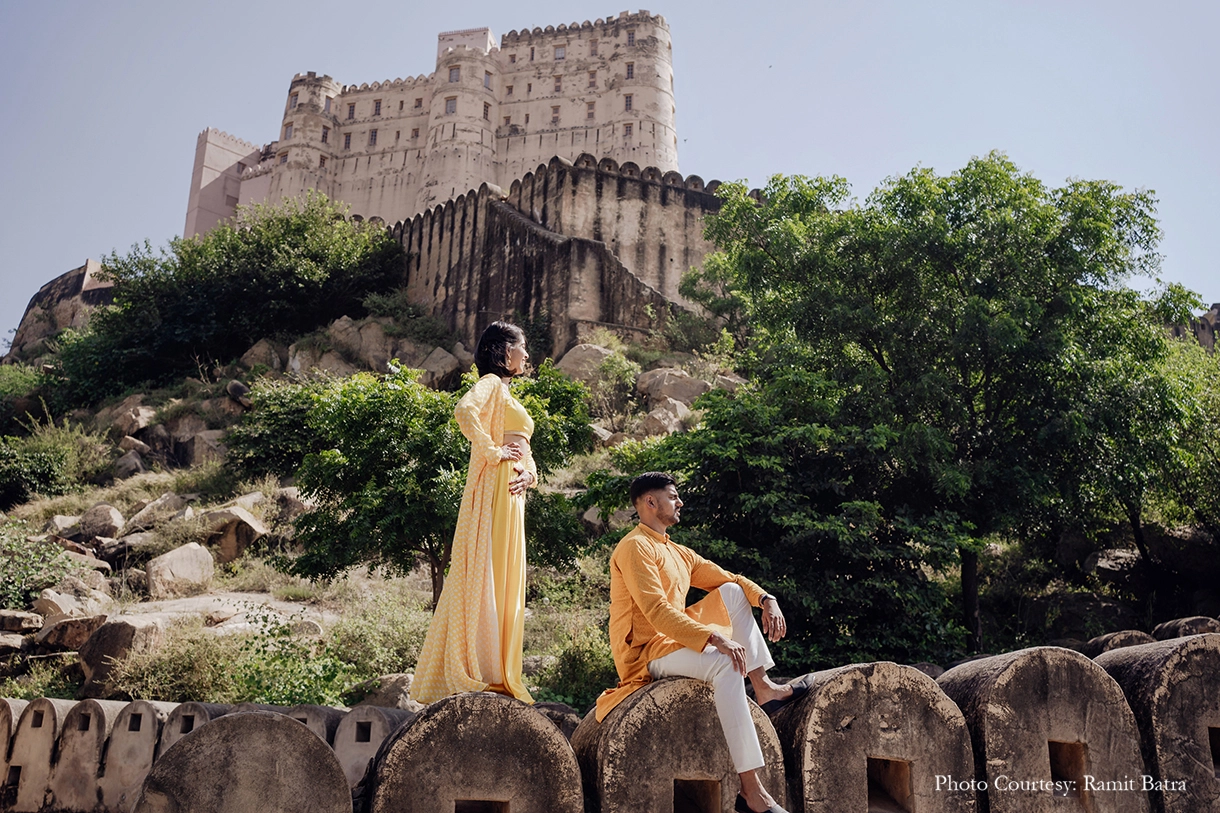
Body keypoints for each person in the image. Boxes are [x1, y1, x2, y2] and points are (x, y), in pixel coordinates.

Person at [595, 472, 804, 813]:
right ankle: (753, 793)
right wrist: (715, 638)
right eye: (673, 496)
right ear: (650, 502)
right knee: (726, 663)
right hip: (646, 653)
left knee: (734, 593)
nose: (680, 503)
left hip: (676, 642)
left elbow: (731, 579)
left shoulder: (677, 552)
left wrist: (767, 598)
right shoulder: (634, 547)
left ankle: (763, 687)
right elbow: (657, 610)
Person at [411, 321, 538, 704]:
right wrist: (493, 452)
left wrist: (529, 474)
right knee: (488, 573)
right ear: (503, 351)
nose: (527, 355)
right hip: (495, 490)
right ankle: (484, 671)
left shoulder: (508, 393)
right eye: (522, 347)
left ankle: (499, 671)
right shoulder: (491, 384)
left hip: (512, 493)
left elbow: (525, 449)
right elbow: (464, 411)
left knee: (503, 577)